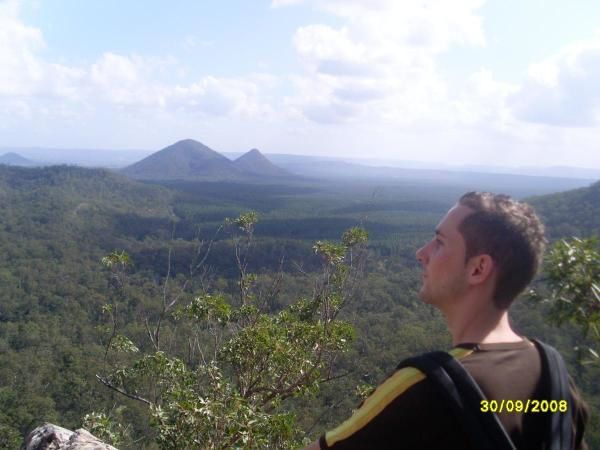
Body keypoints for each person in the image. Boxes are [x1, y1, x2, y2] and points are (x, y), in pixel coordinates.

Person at [303, 192, 588, 450]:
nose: (422, 253)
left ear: (478, 269)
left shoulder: (428, 387)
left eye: (439, 243)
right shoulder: (556, 378)